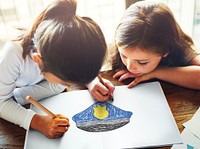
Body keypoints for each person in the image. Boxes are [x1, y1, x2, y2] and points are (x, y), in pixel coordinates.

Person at [0, 0, 114, 139]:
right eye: (67, 82)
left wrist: (91, 81)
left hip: (22, 92)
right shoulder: (13, 54)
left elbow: (76, 60)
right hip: (6, 92)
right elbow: (1, 102)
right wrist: (37, 121)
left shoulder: (71, 36)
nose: (70, 85)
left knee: (58, 86)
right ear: (38, 60)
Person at [110, 0, 200, 90]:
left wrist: (156, 72)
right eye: (124, 56)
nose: (130, 67)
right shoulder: (117, 46)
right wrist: (95, 84)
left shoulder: (181, 46)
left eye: (142, 62)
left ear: (166, 51)